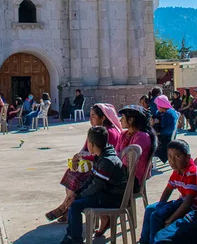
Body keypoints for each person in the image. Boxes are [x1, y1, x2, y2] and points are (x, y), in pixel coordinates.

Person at [46, 104, 122, 223]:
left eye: (93, 116)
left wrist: (82, 156)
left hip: (103, 171)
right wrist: (77, 157)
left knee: (77, 179)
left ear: (103, 118)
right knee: (71, 172)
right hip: (93, 165)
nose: (90, 119)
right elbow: (86, 148)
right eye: (90, 116)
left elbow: (99, 153)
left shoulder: (108, 133)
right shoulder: (95, 131)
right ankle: (67, 207)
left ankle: (67, 207)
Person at [92, 105, 156, 238]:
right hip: (121, 175)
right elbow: (115, 154)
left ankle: (106, 216)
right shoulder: (124, 134)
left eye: (123, 118)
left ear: (131, 120)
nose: (120, 121)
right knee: (92, 178)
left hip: (132, 180)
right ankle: (104, 216)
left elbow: (126, 161)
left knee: (96, 183)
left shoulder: (142, 137)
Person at [59, 126, 127, 244]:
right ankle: (70, 236)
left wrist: (78, 197)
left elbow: (96, 186)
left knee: (75, 206)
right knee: (74, 201)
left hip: (113, 198)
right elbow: (91, 179)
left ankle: (75, 240)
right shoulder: (101, 155)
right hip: (105, 193)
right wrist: (77, 192)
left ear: (91, 144)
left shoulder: (107, 161)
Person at [140, 140, 197, 244]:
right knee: (150, 209)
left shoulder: (192, 173)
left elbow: (188, 202)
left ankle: (153, 241)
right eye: (170, 156)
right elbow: (168, 189)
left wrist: (171, 219)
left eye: (177, 156)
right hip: (183, 203)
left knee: (156, 217)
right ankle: (144, 241)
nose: (172, 161)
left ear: (187, 157)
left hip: (195, 209)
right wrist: (160, 205)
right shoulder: (177, 171)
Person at [154, 95, 179, 163]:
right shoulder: (161, 112)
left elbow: (171, 128)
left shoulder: (170, 113)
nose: (157, 106)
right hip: (162, 134)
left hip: (167, 137)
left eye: (158, 105)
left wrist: (160, 132)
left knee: (153, 143)